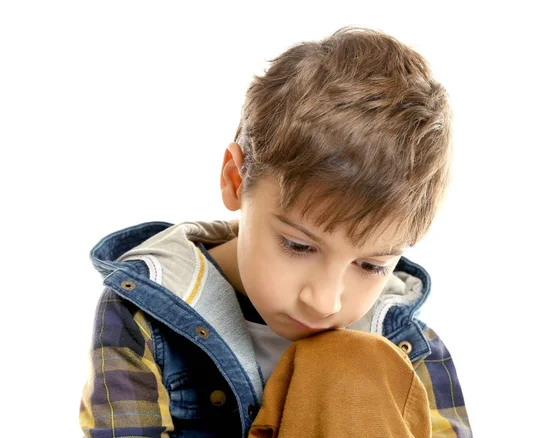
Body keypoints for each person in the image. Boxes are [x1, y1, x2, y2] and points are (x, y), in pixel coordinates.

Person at [79, 26, 472, 437]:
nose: (324, 302)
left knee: (354, 361)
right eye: (298, 245)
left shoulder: (403, 341)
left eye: (371, 266)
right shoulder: (145, 308)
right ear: (235, 179)